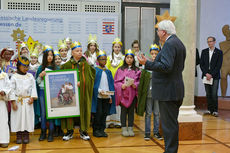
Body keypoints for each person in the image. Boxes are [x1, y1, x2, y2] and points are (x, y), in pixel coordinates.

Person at [138, 20, 186, 153]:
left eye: (158, 30)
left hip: (168, 92)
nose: (157, 32)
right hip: (175, 90)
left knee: (169, 126)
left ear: (163, 32)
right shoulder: (178, 42)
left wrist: (147, 63)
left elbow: (166, 67)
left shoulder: (169, 44)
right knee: (171, 125)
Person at [61, 41, 95, 141]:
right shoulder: (66, 65)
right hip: (71, 95)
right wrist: (73, 84)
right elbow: (62, 79)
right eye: (77, 51)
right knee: (70, 110)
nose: (80, 52)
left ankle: (83, 131)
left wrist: (83, 83)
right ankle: (69, 131)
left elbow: (91, 77)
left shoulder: (86, 64)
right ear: (72, 52)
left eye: (81, 51)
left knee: (84, 110)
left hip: (83, 93)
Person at [137, 44, 163, 141]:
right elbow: (142, 81)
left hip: (157, 94)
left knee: (156, 113)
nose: (154, 56)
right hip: (148, 94)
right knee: (148, 113)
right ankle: (147, 133)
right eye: (152, 54)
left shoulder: (160, 66)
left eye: (156, 54)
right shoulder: (146, 66)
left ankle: (156, 132)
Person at [10, 56, 38, 144]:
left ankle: (26, 134)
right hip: (18, 101)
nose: (26, 68)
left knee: (27, 118)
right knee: (18, 118)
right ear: (18, 66)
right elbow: (11, 90)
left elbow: (33, 87)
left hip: (27, 100)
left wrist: (32, 97)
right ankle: (18, 135)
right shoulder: (14, 77)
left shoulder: (30, 76)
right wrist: (13, 102)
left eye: (27, 66)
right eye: (24, 66)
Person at [114, 49, 141, 137]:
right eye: (127, 57)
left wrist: (135, 85)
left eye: (131, 57)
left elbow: (139, 81)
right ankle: (123, 128)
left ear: (133, 59)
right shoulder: (120, 69)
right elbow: (116, 82)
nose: (129, 59)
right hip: (123, 95)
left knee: (131, 112)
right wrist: (121, 85)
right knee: (123, 112)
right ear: (125, 58)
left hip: (132, 95)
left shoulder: (137, 70)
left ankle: (130, 128)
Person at [91, 50, 116, 137]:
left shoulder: (108, 71)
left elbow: (110, 85)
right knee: (98, 113)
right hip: (98, 96)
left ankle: (102, 129)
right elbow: (93, 84)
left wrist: (110, 96)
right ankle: (96, 130)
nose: (104, 61)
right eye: (102, 59)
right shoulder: (95, 70)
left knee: (104, 113)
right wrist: (99, 90)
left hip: (106, 96)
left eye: (105, 59)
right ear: (98, 60)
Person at [36, 45, 58, 142]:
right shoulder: (40, 68)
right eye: (48, 55)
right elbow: (36, 82)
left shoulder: (56, 68)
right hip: (42, 91)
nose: (50, 57)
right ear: (45, 56)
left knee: (51, 113)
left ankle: (51, 133)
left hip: (52, 92)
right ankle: (43, 132)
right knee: (44, 113)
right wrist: (40, 76)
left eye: (51, 55)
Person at [200, 36, 223, 117]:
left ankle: (215, 111)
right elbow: (201, 64)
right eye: (208, 41)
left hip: (215, 76)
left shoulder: (219, 52)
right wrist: (206, 73)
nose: (209, 43)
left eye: (211, 41)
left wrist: (211, 74)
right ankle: (209, 110)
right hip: (206, 76)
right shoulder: (204, 51)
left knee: (214, 93)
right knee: (208, 93)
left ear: (214, 42)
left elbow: (218, 65)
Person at [106, 38, 124, 128]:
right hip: (110, 83)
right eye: (115, 47)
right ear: (112, 47)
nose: (117, 48)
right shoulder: (109, 58)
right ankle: (109, 121)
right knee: (110, 101)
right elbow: (107, 70)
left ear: (120, 48)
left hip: (119, 84)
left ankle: (118, 121)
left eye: (118, 47)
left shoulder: (123, 58)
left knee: (118, 102)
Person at [0, 66, 11, 148]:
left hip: (1, 101)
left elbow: (8, 86)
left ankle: (3, 140)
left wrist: (4, 91)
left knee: (3, 120)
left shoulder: (4, 75)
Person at [219, 25, 230, 96]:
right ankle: (223, 95)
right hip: (224, 64)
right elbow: (223, 51)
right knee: (223, 78)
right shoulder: (222, 44)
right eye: (227, 32)